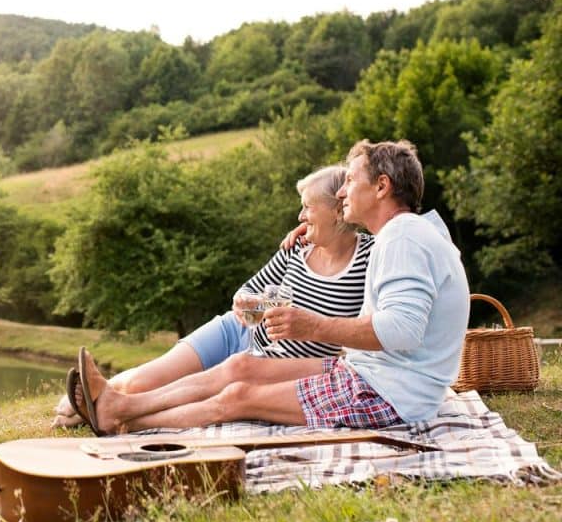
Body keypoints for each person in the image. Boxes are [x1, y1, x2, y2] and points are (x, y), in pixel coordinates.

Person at [75, 139, 469, 435]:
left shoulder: (402, 238)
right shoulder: (408, 234)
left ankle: (123, 419)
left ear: (381, 187)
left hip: (390, 394)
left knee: (238, 397)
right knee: (240, 366)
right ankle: (120, 404)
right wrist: (316, 231)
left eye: (350, 180)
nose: (344, 190)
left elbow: (402, 331)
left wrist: (309, 325)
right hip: (370, 373)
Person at [54, 164, 374, 428]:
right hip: (237, 331)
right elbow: (245, 294)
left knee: (156, 391)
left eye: (307, 207)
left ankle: (95, 409)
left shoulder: (368, 258)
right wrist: (261, 307)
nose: (300, 217)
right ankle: (84, 402)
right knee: (142, 380)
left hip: (273, 363)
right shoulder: (297, 249)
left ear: (337, 210)